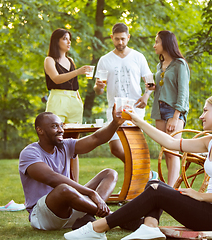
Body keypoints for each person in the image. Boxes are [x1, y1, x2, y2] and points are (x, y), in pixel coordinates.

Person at [64, 94, 212, 240]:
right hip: (208, 208)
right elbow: (169, 143)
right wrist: (136, 120)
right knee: (154, 183)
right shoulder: (211, 142)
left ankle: (98, 229)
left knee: (156, 191)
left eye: (206, 111)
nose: (202, 116)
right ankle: (149, 226)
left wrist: (201, 196)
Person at [19, 106, 125, 231]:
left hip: (71, 208)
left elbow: (96, 138)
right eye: (54, 126)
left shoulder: (65, 145)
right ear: (40, 130)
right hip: (45, 216)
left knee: (109, 173)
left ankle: (87, 217)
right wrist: (91, 193)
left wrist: (115, 123)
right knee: (64, 188)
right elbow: (52, 178)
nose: (61, 130)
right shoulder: (29, 153)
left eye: (61, 126)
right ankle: (115, 218)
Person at [93, 23, 153, 163]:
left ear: (128, 37)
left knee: (134, 148)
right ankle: (145, 171)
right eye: (117, 39)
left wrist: (146, 96)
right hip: (114, 111)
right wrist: (98, 87)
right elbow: (99, 91)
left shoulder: (138, 57)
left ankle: (138, 176)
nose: (120, 42)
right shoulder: (104, 60)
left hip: (135, 110)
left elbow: (150, 83)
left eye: (123, 39)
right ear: (111, 37)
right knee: (116, 148)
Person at [44, 28, 91, 182]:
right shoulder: (49, 60)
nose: (69, 41)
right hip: (58, 99)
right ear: (56, 41)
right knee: (54, 141)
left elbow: (73, 83)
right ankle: (55, 181)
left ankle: (75, 184)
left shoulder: (70, 61)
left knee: (73, 145)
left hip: (74, 101)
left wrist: (78, 100)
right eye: (65, 38)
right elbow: (56, 79)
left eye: (69, 38)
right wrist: (78, 71)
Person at [150, 30, 190, 187]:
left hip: (173, 111)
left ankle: (172, 190)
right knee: (165, 152)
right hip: (159, 111)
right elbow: (165, 86)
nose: (154, 45)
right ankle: (170, 187)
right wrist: (153, 87)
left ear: (166, 43)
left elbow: (183, 92)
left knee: (173, 152)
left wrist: (176, 116)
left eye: (157, 42)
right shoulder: (160, 65)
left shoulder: (180, 64)